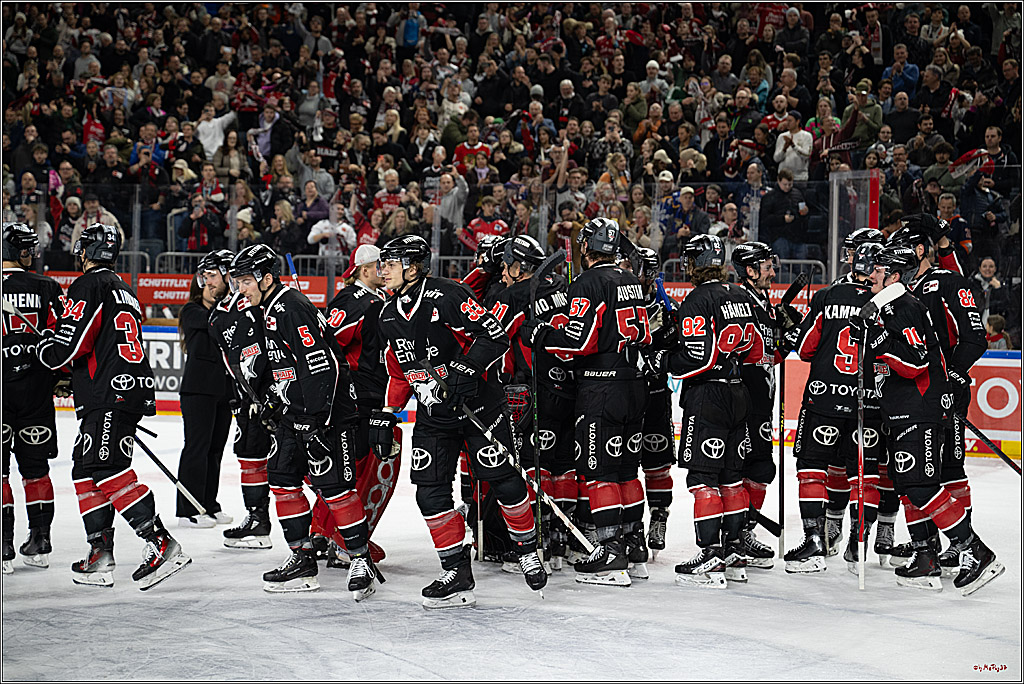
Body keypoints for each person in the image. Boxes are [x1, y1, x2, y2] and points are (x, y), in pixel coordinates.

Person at [369, 234, 545, 608]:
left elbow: (494, 336)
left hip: (478, 408)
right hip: (434, 416)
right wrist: (387, 413)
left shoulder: (448, 294)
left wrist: (466, 370)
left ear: (413, 268)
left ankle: (527, 549)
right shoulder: (387, 314)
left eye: (391, 262)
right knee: (429, 491)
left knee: (502, 480)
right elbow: (400, 371)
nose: (383, 270)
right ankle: (455, 570)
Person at [36, 223, 191, 589]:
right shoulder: (126, 290)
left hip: (109, 394)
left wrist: (47, 350)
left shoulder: (91, 284)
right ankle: (100, 552)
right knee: (83, 470)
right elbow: (101, 343)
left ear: (85, 252)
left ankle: (161, 542)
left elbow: (72, 344)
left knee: (106, 469)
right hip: (120, 390)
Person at [228, 244, 380, 599]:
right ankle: (301, 557)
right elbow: (279, 367)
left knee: (337, 487)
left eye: (247, 281)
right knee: (282, 481)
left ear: (266, 278)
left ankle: (359, 558)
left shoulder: (291, 305)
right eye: (238, 282)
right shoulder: (264, 309)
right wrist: (271, 400)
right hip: (294, 414)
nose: (241, 289)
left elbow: (322, 364)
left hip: (328, 416)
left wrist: (316, 420)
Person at [859, 245, 1002, 596]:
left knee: (921, 485)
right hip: (903, 409)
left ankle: (975, 550)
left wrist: (877, 338)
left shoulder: (903, 308)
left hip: (918, 410)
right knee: (908, 485)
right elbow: (890, 363)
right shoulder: (891, 308)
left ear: (894, 275)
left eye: (877, 270)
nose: (869, 275)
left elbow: (914, 364)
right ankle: (926, 557)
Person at [520, 219, 651, 587]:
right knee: (626, 469)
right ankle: (632, 546)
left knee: (599, 471)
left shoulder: (588, 283)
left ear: (587, 247)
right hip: (633, 383)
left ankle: (610, 553)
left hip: (601, 387)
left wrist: (540, 334)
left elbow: (578, 343)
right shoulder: (629, 279)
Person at [662, 234, 765, 587]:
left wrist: (666, 360)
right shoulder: (740, 294)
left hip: (708, 397)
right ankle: (734, 550)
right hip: (739, 393)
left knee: (703, 478)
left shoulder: (697, 299)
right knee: (731, 477)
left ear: (696, 261)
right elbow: (756, 352)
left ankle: (710, 554)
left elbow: (698, 358)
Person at [887, 216, 987, 576]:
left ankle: (962, 546)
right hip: (919, 393)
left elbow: (976, 337)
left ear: (917, 250)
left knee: (950, 469)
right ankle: (927, 547)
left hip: (946, 392)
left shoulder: (948, 282)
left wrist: (955, 375)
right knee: (921, 473)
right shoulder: (905, 292)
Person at [490, 236, 576, 571]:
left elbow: (491, 336)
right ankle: (562, 540)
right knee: (564, 466)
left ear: (518, 265)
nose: (502, 270)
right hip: (569, 386)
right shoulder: (563, 289)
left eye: (506, 263)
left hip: (530, 390)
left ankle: (536, 543)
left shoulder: (514, 295)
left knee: (530, 464)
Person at [324, 244, 398, 563]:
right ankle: (339, 535)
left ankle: (330, 532)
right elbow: (328, 343)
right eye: (378, 266)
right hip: (359, 396)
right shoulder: (354, 300)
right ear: (364, 270)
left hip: (373, 392)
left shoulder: (378, 299)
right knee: (354, 465)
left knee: (362, 463)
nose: (383, 270)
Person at [2, 223, 64, 574]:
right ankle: (40, 542)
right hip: (37, 392)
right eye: (28, 248)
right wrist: (62, 378)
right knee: (36, 470)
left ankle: (4, 545)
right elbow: (63, 337)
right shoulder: (47, 287)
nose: (32, 254)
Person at [732, 243, 797, 570]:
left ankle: (743, 530)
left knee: (760, 468)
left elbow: (772, 354)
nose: (772, 271)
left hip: (762, 398)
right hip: (742, 397)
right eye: (766, 266)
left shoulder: (764, 303)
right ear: (750, 270)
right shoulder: (739, 301)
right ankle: (732, 536)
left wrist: (789, 337)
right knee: (739, 467)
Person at [207, 250, 273, 551]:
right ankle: (257, 519)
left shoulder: (261, 306)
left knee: (296, 464)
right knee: (248, 453)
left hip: (273, 396)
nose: (207, 282)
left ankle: (326, 525)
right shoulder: (220, 313)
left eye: (212, 275)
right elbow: (231, 360)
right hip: (248, 399)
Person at [175, 252, 235, 528]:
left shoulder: (225, 310)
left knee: (215, 450)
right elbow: (216, 325)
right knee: (196, 448)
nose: (210, 283)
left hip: (223, 389)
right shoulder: (192, 311)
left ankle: (209, 504)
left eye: (214, 278)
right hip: (198, 389)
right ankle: (188, 508)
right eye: (206, 279)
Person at [633, 249, 677, 562]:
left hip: (656, 393)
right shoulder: (622, 297)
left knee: (657, 462)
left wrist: (661, 354)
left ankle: (659, 517)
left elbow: (677, 346)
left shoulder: (664, 305)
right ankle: (631, 524)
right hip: (625, 392)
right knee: (621, 464)